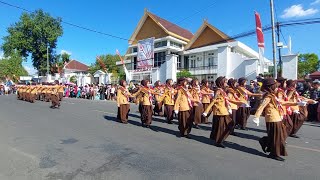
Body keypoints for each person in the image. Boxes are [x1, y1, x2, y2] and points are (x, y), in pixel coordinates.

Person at [253, 78, 307, 161]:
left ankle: (265, 141)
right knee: (277, 137)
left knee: (277, 136)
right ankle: (274, 154)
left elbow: (282, 103)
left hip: (277, 117)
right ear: (270, 87)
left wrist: (297, 103)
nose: (276, 88)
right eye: (275, 86)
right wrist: (256, 117)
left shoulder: (273, 95)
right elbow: (261, 106)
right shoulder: (268, 96)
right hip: (272, 118)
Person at [203, 77, 244, 148]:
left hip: (224, 110)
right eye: (225, 82)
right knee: (224, 126)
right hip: (220, 111)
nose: (226, 83)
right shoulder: (218, 91)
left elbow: (227, 100)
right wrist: (206, 111)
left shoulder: (222, 90)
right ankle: (218, 141)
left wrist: (239, 103)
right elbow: (213, 101)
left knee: (228, 125)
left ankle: (218, 139)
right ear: (221, 83)